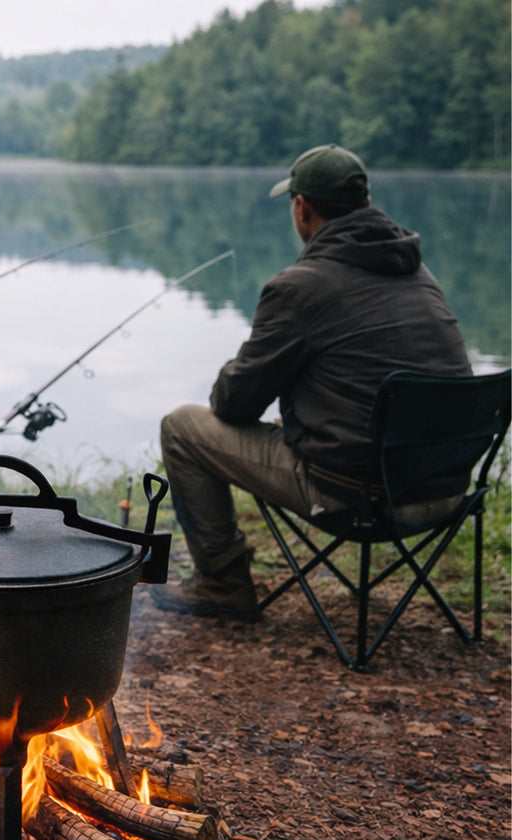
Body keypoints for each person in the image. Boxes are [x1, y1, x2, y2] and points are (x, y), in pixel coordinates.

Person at [156, 143, 472, 621]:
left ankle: (223, 587)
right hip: (446, 490)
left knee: (182, 427)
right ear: (365, 204)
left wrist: (241, 368)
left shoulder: (300, 287)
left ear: (301, 208)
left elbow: (233, 405)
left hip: (364, 499)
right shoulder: (416, 271)